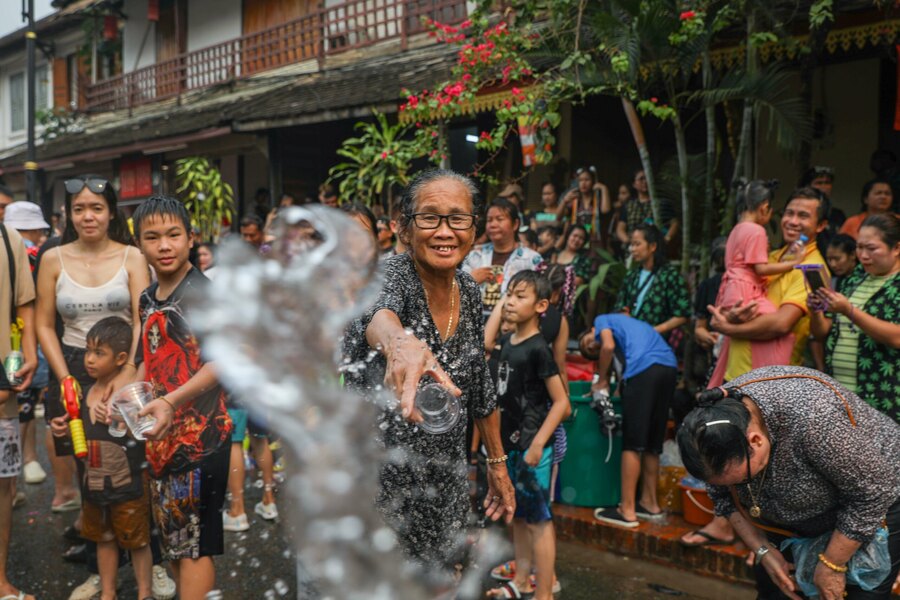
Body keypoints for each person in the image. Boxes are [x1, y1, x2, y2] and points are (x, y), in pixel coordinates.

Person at [342, 169, 515, 575]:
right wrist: (399, 344)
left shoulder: (468, 292)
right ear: (404, 227)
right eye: (430, 217)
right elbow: (377, 314)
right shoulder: (387, 278)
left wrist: (497, 462)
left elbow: (478, 382)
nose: (445, 231)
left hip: (445, 483)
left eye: (457, 218)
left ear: (474, 229)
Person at [678, 366, 900, 600]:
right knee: (776, 590)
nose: (740, 487)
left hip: (874, 502)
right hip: (786, 521)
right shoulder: (707, 438)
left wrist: (832, 564)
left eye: (744, 480)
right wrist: (762, 550)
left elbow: (874, 492)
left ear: (755, 440)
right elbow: (723, 498)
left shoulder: (815, 418)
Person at [696, 188, 829, 549]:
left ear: (821, 225)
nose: (793, 221)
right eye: (790, 212)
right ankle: (737, 528)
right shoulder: (773, 255)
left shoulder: (809, 267)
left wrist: (727, 328)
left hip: (774, 375)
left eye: (804, 216)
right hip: (744, 366)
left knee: (764, 456)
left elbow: (780, 324)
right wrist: (732, 319)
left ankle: (764, 539)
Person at [130, 196, 233, 600]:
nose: (165, 245)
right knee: (174, 538)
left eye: (174, 235)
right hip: (162, 437)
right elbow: (148, 359)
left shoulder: (205, 295)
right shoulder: (147, 297)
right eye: (153, 238)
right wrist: (129, 394)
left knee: (194, 546)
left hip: (203, 439)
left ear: (191, 238)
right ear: (139, 245)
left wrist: (171, 401)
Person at [51, 317, 152, 600]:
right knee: (102, 539)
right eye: (88, 351)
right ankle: (108, 592)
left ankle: (146, 592)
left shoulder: (129, 395)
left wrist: (120, 416)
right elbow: (76, 435)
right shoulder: (83, 394)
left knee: (137, 540)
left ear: (122, 358)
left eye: (99, 353)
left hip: (128, 483)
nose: (89, 360)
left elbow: (145, 432)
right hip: (93, 485)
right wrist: (64, 429)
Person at [486, 271, 570, 600]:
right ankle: (521, 581)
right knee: (517, 515)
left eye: (520, 297)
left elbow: (561, 402)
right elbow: (485, 342)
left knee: (538, 520)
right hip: (511, 445)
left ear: (541, 306)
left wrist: (537, 443)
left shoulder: (539, 349)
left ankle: (544, 592)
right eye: (509, 294)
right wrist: (502, 305)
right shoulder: (508, 342)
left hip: (533, 445)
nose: (510, 302)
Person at [579, 314, 677, 530]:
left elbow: (607, 347)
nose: (593, 346)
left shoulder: (602, 320)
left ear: (590, 330)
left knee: (632, 443)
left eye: (588, 341)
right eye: (591, 351)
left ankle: (628, 510)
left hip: (644, 370)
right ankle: (650, 504)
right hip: (668, 367)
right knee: (652, 442)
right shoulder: (631, 326)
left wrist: (601, 381)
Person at [810, 214, 900, 424]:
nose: (863, 255)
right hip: (842, 393)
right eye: (859, 247)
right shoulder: (855, 279)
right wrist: (815, 310)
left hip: (882, 395)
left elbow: (897, 337)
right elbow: (824, 331)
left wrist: (849, 310)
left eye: (871, 248)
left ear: (896, 248)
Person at [716, 180, 799, 371]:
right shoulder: (756, 230)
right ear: (764, 208)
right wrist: (791, 264)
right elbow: (760, 269)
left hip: (731, 289)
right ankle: (772, 377)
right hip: (746, 290)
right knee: (780, 331)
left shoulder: (736, 230)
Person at [0, 201, 37, 600]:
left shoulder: (9, 239)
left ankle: (0, 580)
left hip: (2, 387)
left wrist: (29, 353)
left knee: (3, 486)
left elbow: (24, 304)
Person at [5, 202, 49, 486]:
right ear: (33, 227)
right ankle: (25, 463)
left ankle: (15, 472)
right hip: (22, 342)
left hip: (11, 343)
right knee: (24, 404)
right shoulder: (31, 254)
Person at [463, 198, 543, 319]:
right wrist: (470, 281)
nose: (493, 224)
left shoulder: (532, 259)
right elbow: (456, 292)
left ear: (515, 224)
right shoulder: (474, 255)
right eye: (489, 220)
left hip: (513, 325)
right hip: (474, 322)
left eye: (499, 219)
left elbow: (540, 296)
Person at [614, 224, 690, 339]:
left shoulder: (670, 275)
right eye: (632, 244)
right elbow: (620, 305)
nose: (633, 249)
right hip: (630, 340)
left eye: (637, 244)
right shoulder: (631, 275)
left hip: (657, 343)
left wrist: (654, 331)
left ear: (653, 246)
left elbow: (683, 314)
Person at [615, 170, 679, 250]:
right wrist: (629, 242)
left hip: (655, 247)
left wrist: (666, 239)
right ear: (634, 184)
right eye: (641, 179)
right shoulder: (629, 205)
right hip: (634, 249)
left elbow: (674, 223)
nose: (645, 181)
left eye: (647, 178)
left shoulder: (662, 203)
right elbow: (620, 229)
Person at [555, 167, 610, 238]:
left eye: (587, 180)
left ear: (593, 181)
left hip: (594, 239)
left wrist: (604, 188)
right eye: (580, 180)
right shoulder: (575, 200)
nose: (583, 183)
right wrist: (564, 201)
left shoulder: (598, 199)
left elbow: (605, 210)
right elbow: (558, 217)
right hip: (577, 239)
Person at [799, 166, 846, 235]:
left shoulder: (838, 215)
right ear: (808, 186)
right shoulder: (798, 212)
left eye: (827, 183)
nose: (824, 187)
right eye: (819, 183)